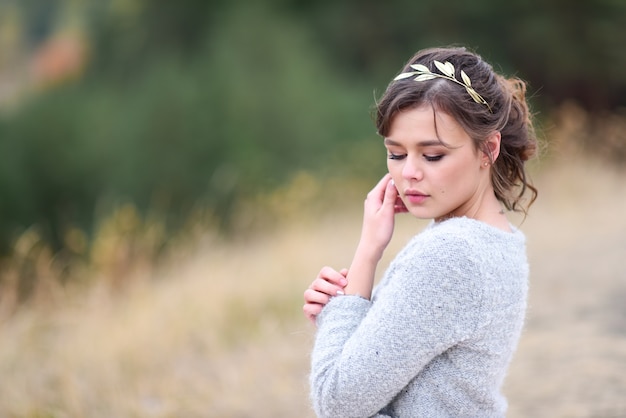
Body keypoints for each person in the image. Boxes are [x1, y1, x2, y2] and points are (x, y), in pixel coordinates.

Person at [302, 46, 538, 418]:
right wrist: (344, 312)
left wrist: (366, 255)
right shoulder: (497, 238)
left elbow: (337, 403)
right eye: (395, 154)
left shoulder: (450, 254)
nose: (408, 172)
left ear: (487, 149)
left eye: (432, 156)